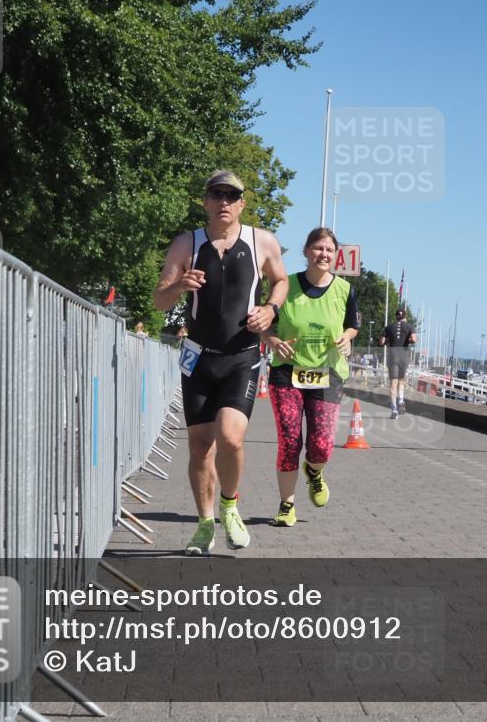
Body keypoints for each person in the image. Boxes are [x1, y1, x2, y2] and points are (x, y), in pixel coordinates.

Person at [153, 170, 287, 555]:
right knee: (199, 447)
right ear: (206, 201)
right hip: (197, 359)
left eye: (232, 195)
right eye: (217, 194)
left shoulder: (261, 241)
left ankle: (230, 505)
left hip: (241, 357)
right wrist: (179, 286)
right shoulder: (187, 244)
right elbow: (158, 300)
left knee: (230, 437)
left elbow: (280, 281)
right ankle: (205, 524)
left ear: (243, 202)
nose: (224, 202)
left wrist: (270, 308)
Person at [262, 228, 359, 527]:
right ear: (306, 251)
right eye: (318, 248)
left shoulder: (345, 290)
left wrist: (346, 337)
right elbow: (266, 324)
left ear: (336, 255)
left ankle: (314, 472)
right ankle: (286, 506)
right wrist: (272, 340)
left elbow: (352, 326)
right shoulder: (285, 285)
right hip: (286, 373)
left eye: (329, 250)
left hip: (327, 374)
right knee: (290, 441)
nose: (324, 254)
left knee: (321, 444)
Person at [379, 308, 417, 418]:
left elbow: (381, 342)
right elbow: (414, 339)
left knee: (392, 383)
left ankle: (394, 408)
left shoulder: (388, 327)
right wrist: (407, 340)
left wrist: (389, 341)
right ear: (405, 317)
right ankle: (401, 400)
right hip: (403, 356)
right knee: (401, 380)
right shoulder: (410, 327)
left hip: (392, 356)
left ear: (396, 317)